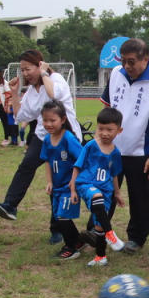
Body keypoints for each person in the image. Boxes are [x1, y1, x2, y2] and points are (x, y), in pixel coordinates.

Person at [0, 50, 81, 223]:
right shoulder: (32, 91)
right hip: (44, 137)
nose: (25, 73)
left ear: (39, 65)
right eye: (22, 70)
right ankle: (10, 205)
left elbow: (54, 95)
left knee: (58, 179)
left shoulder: (56, 80)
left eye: (28, 69)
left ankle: (59, 228)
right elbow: (20, 116)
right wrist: (15, 93)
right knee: (26, 166)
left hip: (65, 137)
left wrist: (44, 73)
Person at [99, 38, 149, 254]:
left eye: (132, 62)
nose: (127, 66)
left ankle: (137, 237)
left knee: (139, 196)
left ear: (145, 59)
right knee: (104, 190)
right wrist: (99, 142)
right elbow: (105, 112)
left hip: (140, 151)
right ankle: (98, 229)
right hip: (112, 148)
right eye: (124, 62)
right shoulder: (116, 75)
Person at [72, 107, 126, 267]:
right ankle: (111, 234)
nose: (104, 133)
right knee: (96, 197)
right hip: (86, 184)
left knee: (99, 225)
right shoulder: (90, 146)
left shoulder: (116, 153)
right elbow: (77, 166)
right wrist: (73, 188)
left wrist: (117, 193)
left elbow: (114, 174)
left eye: (109, 129)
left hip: (106, 190)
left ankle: (100, 257)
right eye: (101, 128)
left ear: (119, 130)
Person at [40, 100, 84, 260]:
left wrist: (74, 184)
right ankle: (78, 241)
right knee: (59, 216)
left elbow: (80, 161)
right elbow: (47, 161)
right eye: (45, 120)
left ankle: (71, 247)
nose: (49, 124)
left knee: (63, 216)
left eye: (53, 120)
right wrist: (50, 182)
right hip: (57, 186)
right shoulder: (47, 140)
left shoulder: (68, 139)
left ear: (63, 120)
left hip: (69, 186)